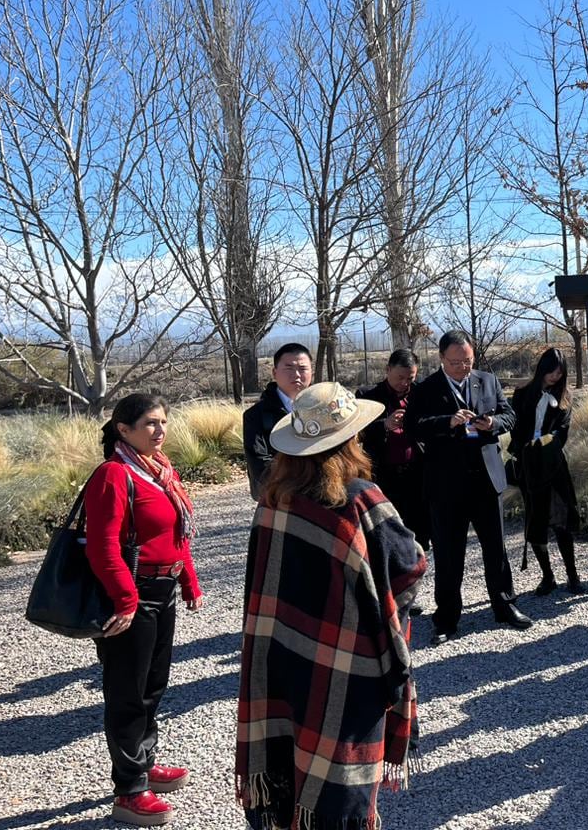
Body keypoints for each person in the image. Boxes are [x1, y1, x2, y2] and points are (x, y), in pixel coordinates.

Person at [236, 382, 426, 830]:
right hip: (349, 659)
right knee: (339, 777)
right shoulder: (360, 498)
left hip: (279, 655)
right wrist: (386, 616)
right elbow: (409, 566)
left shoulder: (273, 500)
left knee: (286, 757)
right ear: (349, 440)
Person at [85, 393, 203, 827]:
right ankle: (130, 790)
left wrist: (187, 578)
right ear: (123, 429)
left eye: (163, 421)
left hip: (162, 589)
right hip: (132, 597)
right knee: (127, 694)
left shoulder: (160, 470)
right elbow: (103, 547)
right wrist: (127, 600)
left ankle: (143, 763)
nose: (160, 430)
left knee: (153, 686)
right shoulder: (114, 475)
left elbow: (175, 531)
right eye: (150, 423)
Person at [406, 330, 531, 643]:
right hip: (446, 483)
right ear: (441, 359)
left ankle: (504, 605)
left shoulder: (487, 380)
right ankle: (447, 618)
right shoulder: (426, 388)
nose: (463, 367)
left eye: (467, 361)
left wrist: (492, 424)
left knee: (496, 547)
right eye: (455, 362)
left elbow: (509, 415)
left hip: (486, 479)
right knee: (449, 553)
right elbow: (413, 427)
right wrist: (447, 422)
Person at [510, 348, 584, 595]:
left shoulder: (565, 397)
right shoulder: (521, 395)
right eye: (552, 370)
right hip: (528, 464)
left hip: (553, 464)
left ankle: (573, 575)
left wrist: (544, 444)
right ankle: (547, 576)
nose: (555, 376)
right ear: (542, 368)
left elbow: (563, 432)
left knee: (561, 520)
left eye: (560, 372)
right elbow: (516, 428)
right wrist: (525, 448)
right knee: (536, 521)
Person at [358, 348, 429, 551]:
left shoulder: (421, 394)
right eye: (400, 377)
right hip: (383, 473)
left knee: (419, 531)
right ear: (387, 370)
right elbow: (358, 432)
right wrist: (384, 424)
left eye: (410, 378)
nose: (404, 383)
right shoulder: (367, 396)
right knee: (386, 527)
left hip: (417, 470)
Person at [243, 343, 313, 500]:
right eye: (289, 368)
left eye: (302, 369)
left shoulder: (323, 407)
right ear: (274, 373)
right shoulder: (255, 415)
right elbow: (259, 464)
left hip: (324, 497)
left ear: (312, 372)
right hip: (281, 499)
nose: (296, 374)